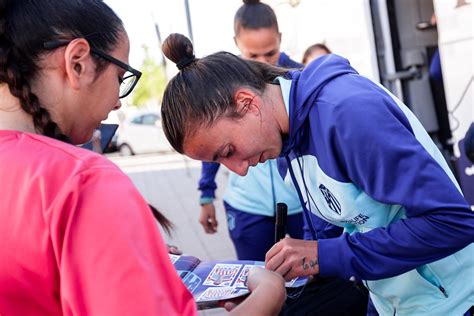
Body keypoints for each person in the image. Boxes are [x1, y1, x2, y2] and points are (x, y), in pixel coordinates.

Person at [0, 1, 287, 315]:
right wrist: (267, 296)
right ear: (78, 62)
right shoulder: (82, 183)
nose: (117, 104)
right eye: (121, 78)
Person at [160, 33, 474, 315]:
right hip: (396, 302)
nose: (239, 170)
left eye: (227, 152)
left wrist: (323, 255)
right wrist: (300, 264)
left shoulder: (349, 114)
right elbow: (336, 223)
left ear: (247, 103)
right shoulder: (283, 138)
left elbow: (451, 223)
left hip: (456, 301)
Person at [198, 0, 311, 262]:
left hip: (300, 206)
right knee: (255, 284)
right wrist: (206, 194)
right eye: (253, 56)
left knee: (309, 294)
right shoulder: (221, 85)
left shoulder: (299, 76)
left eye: (270, 53)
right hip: (247, 207)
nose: (263, 64)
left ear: (280, 38)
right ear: (236, 42)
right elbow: (211, 144)